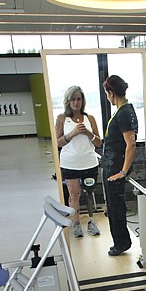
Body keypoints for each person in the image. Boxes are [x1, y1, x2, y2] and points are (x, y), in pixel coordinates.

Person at [56, 85, 101, 238]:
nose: (76, 102)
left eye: (78, 99)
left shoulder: (90, 118)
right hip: (70, 163)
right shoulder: (62, 118)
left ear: (83, 101)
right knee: (74, 195)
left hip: (89, 162)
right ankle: (76, 224)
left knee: (89, 193)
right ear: (68, 101)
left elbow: (99, 143)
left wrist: (88, 133)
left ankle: (91, 221)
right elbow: (58, 142)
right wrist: (73, 134)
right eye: (73, 99)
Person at [101, 75, 138, 256]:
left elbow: (131, 144)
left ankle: (121, 243)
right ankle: (120, 241)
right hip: (111, 165)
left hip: (115, 168)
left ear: (111, 93)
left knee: (116, 207)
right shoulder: (122, 111)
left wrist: (123, 171)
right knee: (114, 206)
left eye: (107, 94)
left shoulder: (124, 113)